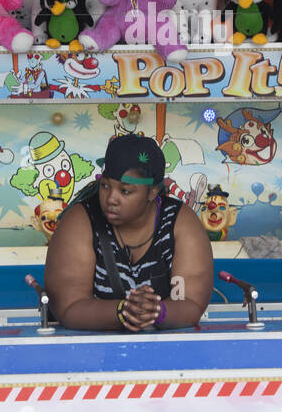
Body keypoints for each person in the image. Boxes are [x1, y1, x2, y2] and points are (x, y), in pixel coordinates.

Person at [45, 134, 213, 331]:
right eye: (105, 186)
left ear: (152, 192)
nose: (111, 199)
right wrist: (123, 311)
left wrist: (158, 312)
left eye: (125, 191)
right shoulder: (80, 221)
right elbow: (69, 308)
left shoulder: (179, 223)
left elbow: (190, 304)